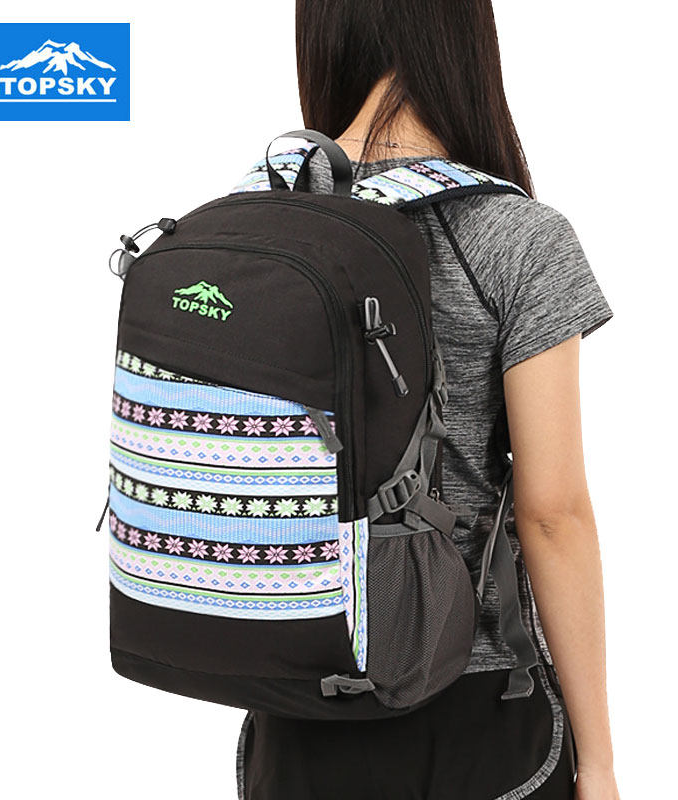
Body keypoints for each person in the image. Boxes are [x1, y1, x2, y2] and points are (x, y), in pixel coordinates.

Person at [236, 2, 619, 798]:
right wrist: (601, 765)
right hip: (476, 708)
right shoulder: (514, 235)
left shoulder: (250, 222)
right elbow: (552, 515)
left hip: (292, 710)